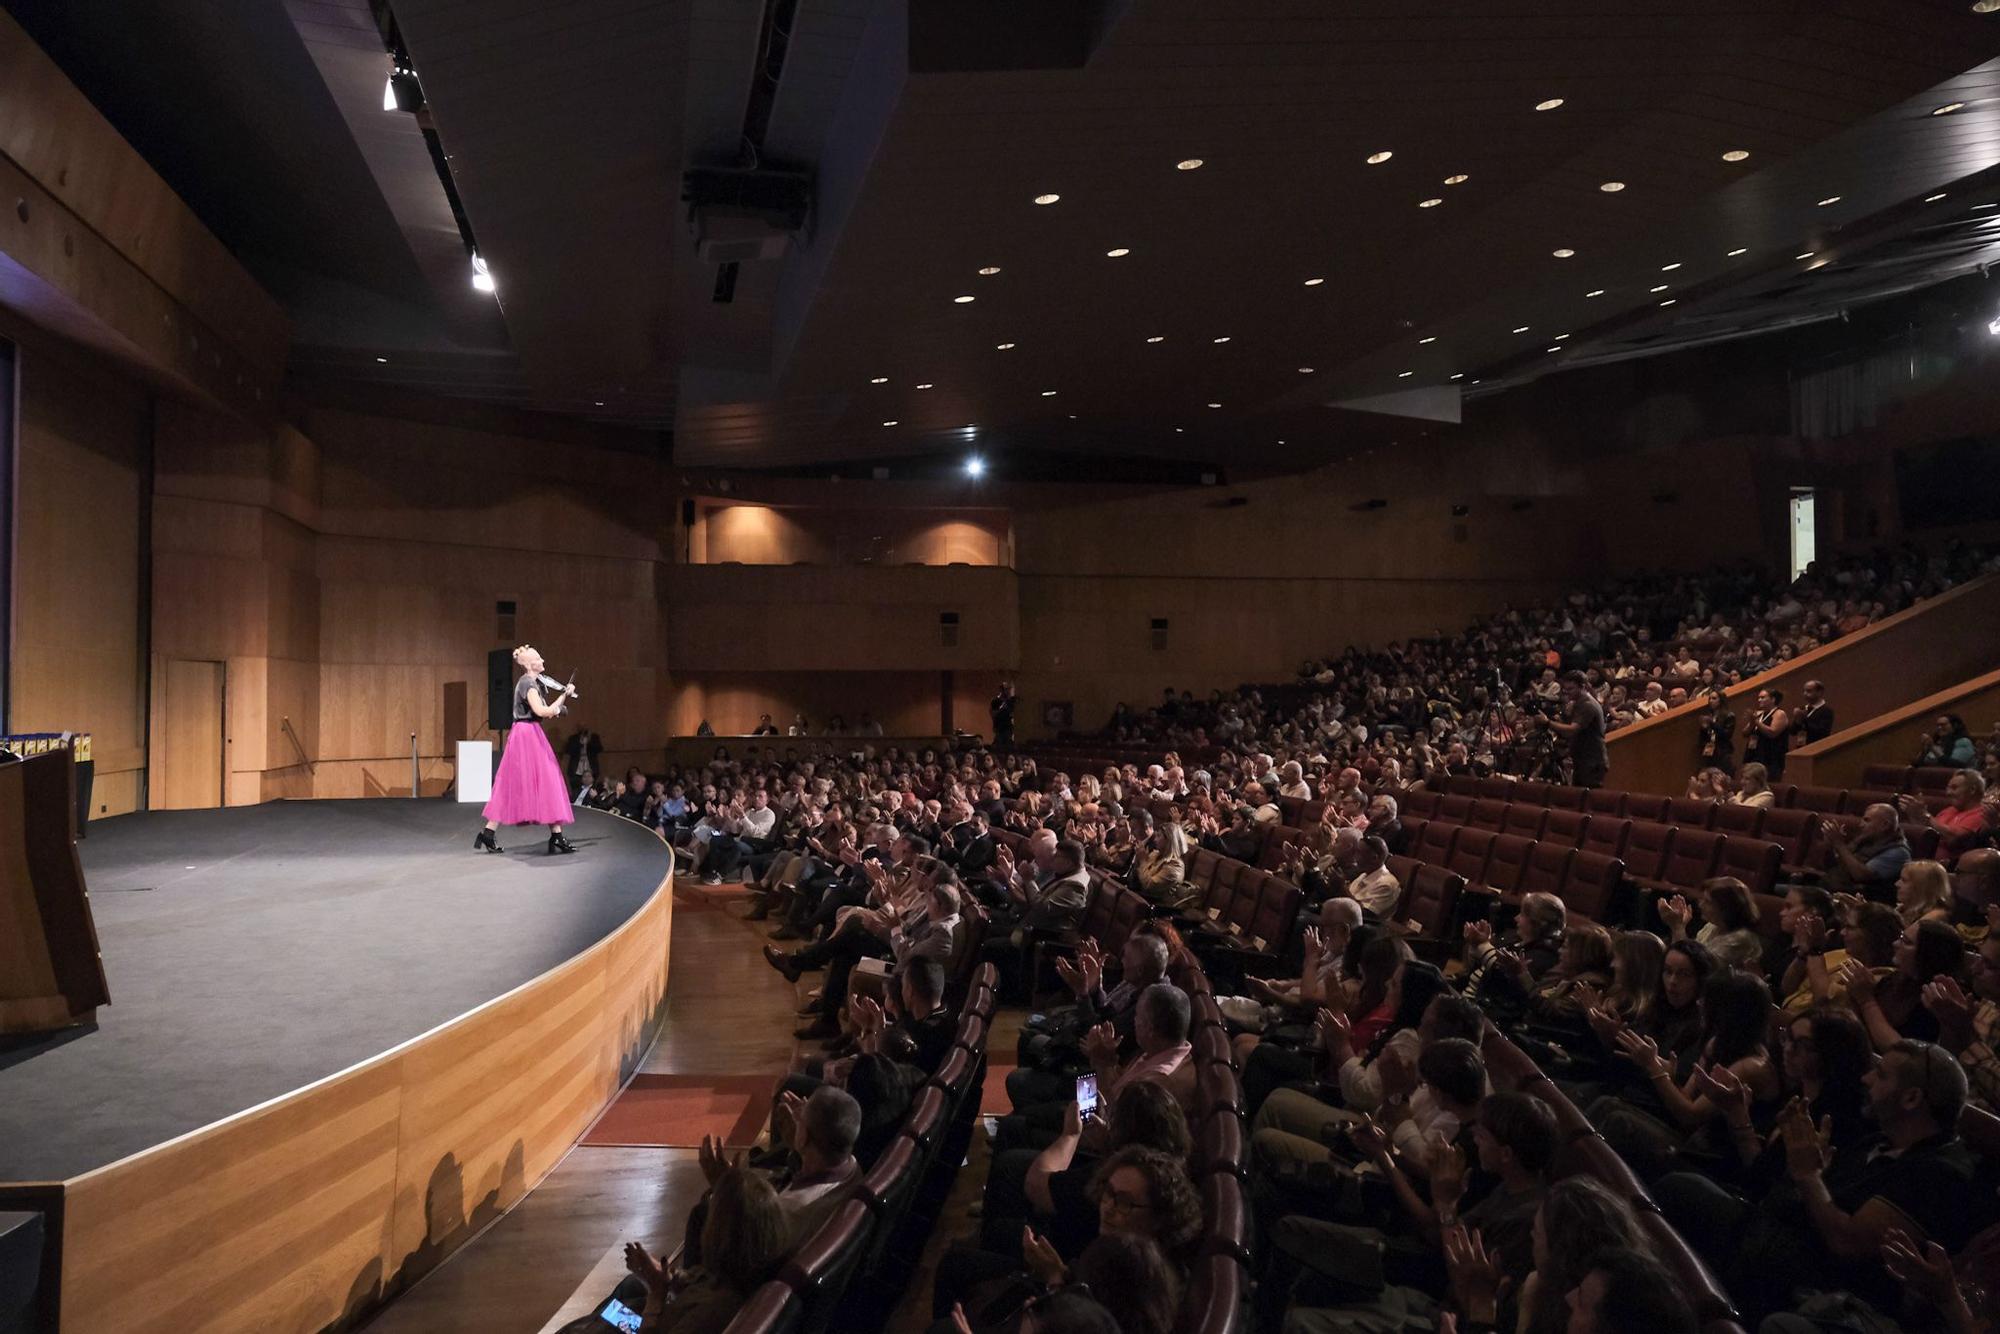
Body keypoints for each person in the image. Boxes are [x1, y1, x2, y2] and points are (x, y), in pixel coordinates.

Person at [619, 1166, 789, 1334]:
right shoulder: (738, 1274)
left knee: (612, 1313)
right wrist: (667, 1278)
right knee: (626, 1292)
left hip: (653, 1324)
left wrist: (656, 1296)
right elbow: (703, 1281)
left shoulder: (713, 1311)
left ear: (720, 1231)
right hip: (667, 1315)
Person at [476, 644, 579, 855]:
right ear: (531, 664)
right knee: (538, 781)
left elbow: (546, 711)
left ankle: (555, 835)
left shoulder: (532, 683)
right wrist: (559, 709)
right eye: (539, 659)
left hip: (531, 733)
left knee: (543, 782)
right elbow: (543, 710)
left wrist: (564, 696)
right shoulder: (527, 684)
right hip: (527, 736)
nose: (543, 661)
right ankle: (556, 836)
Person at [1543, 671, 1608, 789]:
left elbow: (1571, 730)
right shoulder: (1578, 703)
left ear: (1582, 687)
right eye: (1565, 688)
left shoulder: (1587, 704)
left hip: (1591, 762)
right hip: (1582, 759)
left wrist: (1548, 722)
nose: (1566, 692)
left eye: (1571, 688)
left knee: (1587, 800)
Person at [1743, 688, 1791, 781]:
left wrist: (1756, 721)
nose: (1759, 700)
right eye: (1759, 697)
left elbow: (1772, 732)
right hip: (1754, 755)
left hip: (1770, 758)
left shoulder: (1779, 713)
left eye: (1762, 697)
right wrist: (1752, 722)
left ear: (1773, 699)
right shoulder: (1758, 714)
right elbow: (1745, 733)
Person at [1791, 679, 1835, 747]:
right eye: (1804, 691)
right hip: (1801, 747)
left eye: (1809, 691)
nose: (1805, 694)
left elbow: (1822, 733)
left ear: (1819, 692)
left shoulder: (1826, 711)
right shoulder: (1802, 708)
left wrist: (1805, 719)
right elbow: (1792, 732)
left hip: (1817, 747)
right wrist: (1797, 721)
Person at [992, 682, 1020, 747]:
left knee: (1009, 744)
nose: (1006, 691)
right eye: (1004, 689)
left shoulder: (1013, 701)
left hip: (1009, 728)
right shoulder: (996, 701)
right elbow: (994, 714)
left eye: (1008, 689)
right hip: (1000, 727)